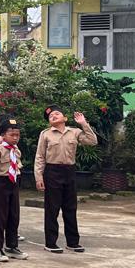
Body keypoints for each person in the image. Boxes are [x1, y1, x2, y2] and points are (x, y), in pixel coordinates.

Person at [34, 106, 97, 253]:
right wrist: (39, 177)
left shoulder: (74, 132)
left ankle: (73, 242)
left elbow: (92, 141)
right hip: (52, 172)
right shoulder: (45, 134)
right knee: (52, 209)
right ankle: (50, 243)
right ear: (49, 122)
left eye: (57, 113)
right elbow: (40, 157)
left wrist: (83, 123)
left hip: (69, 171)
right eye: (50, 116)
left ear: (65, 118)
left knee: (70, 208)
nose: (54, 116)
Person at [0, 121, 27, 262]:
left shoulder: (16, 150)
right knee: (0, 216)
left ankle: (12, 246)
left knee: (14, 215)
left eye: (17, 135)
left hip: (14, 183)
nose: (15, 138)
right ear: (3, 135)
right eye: (12, 135)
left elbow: (17, 165)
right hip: (2, 182)